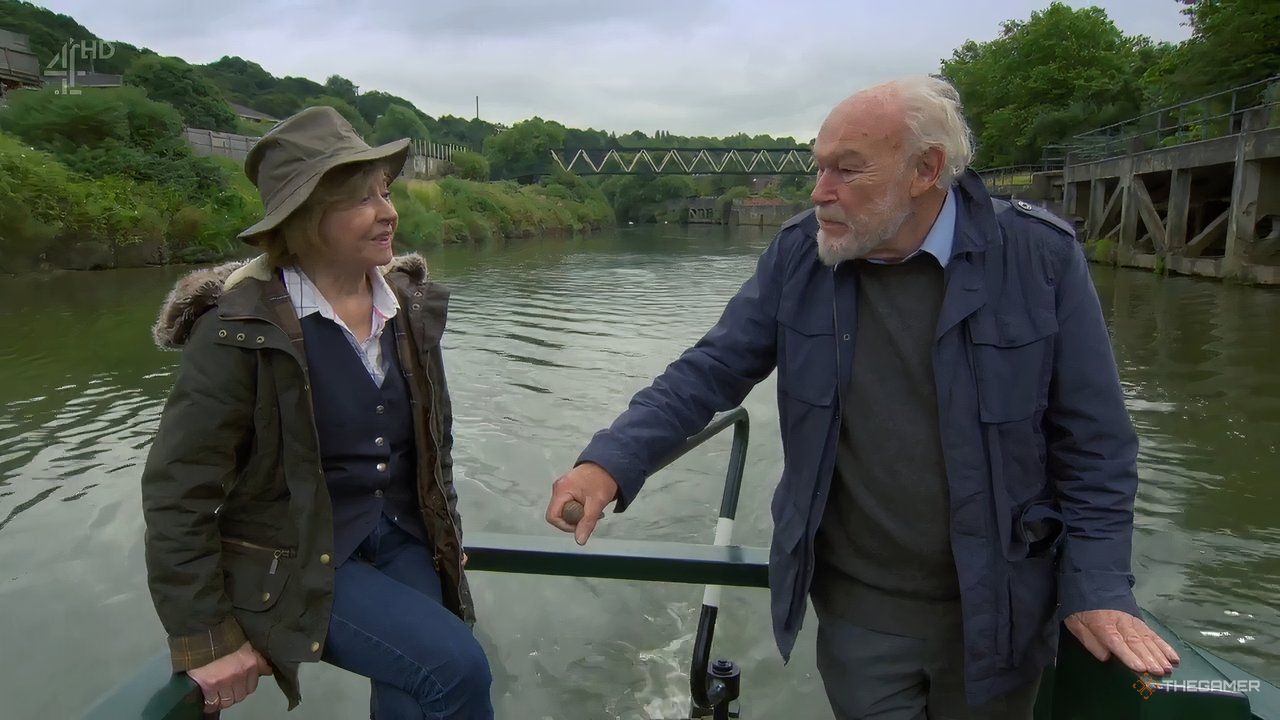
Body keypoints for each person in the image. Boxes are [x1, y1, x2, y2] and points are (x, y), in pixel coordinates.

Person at [546, 76, 1180, 719]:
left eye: (848, 171)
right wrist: (611, 461)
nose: (820, 192)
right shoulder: (800, 255)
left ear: (926, 171)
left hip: (1003, 612)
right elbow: (709, 371)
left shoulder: (1038, 258)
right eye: (819, 167)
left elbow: (1095, 441)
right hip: (859, 612)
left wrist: (1097, 586)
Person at [142, 106, 493, 719]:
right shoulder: (236, 331)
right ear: (304, 220)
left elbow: (435, 443)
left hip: (401, 534)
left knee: (415, 690)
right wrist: (205, 634)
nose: (389, 212)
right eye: (362, 200)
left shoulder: (408, 309)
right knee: (455, 665)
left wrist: (445, 530)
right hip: (295, 557)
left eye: (385, 193)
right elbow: (179, 490)